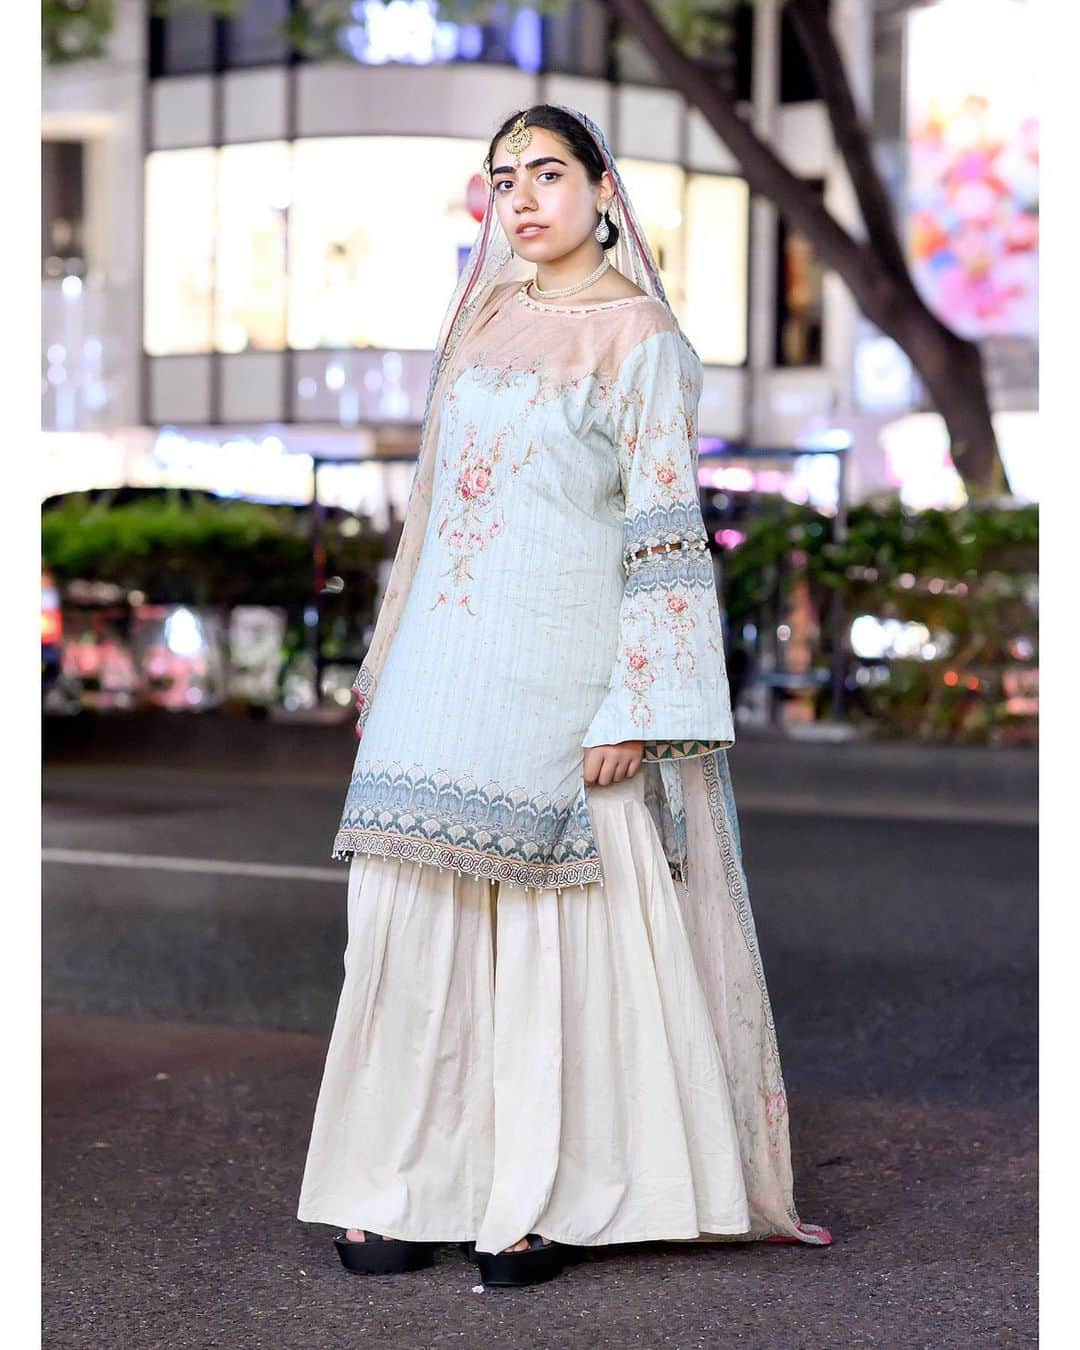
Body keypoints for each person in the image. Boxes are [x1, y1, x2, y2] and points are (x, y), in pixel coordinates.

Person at [296, 104, 831, 1289]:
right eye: (502, 180)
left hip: (564, 670)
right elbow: (432, 518)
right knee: (410, 923)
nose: (522, 198)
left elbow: (664, 536)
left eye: (546, 173)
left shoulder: (642, 338)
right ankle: (401, 1186)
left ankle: (530, 1199)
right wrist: (388, 670)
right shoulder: (482, 324)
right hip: (447, 665)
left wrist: (637, 704)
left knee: (544, 934)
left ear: (602, 189)